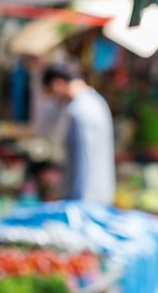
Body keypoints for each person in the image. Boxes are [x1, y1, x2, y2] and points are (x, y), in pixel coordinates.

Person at [41, 61, 115, 205]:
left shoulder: (79, 111)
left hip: (85, 201)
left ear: (57, 84)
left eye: (51, 94)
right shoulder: (95, 101)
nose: (54, 100)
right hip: (98, 196)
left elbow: (83, 162)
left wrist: (74, 201)